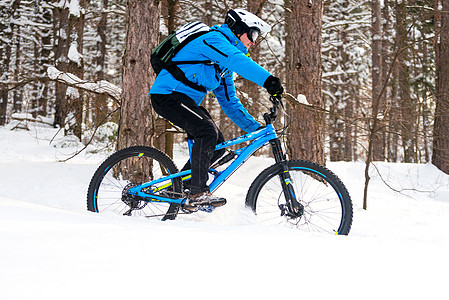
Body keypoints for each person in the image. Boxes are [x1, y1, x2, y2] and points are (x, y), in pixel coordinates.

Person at [149, 8, 284, 211]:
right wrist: (269, 81)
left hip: (184, 101)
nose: (254, 41)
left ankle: (178, 190)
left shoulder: (221, 67)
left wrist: (255, 129)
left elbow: (230, 103)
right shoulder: (213, 39)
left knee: (218, 147)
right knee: (207, 131)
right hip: (167, 95)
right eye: (253, 34)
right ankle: (197, 192)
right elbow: (238, 60)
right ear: (239, 29)